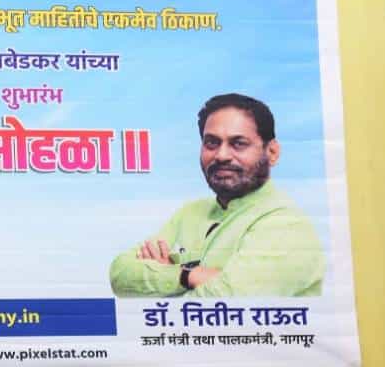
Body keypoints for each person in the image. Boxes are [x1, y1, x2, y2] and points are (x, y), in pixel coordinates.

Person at [108, 93, 324, 297]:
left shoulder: (285, 223)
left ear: (272, 152)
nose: (221, 155)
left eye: (238, 144)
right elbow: (120, 273)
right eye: (212, 142)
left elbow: (228, 303)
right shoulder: (190, 213)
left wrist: (165, 277)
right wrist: (187, 275)